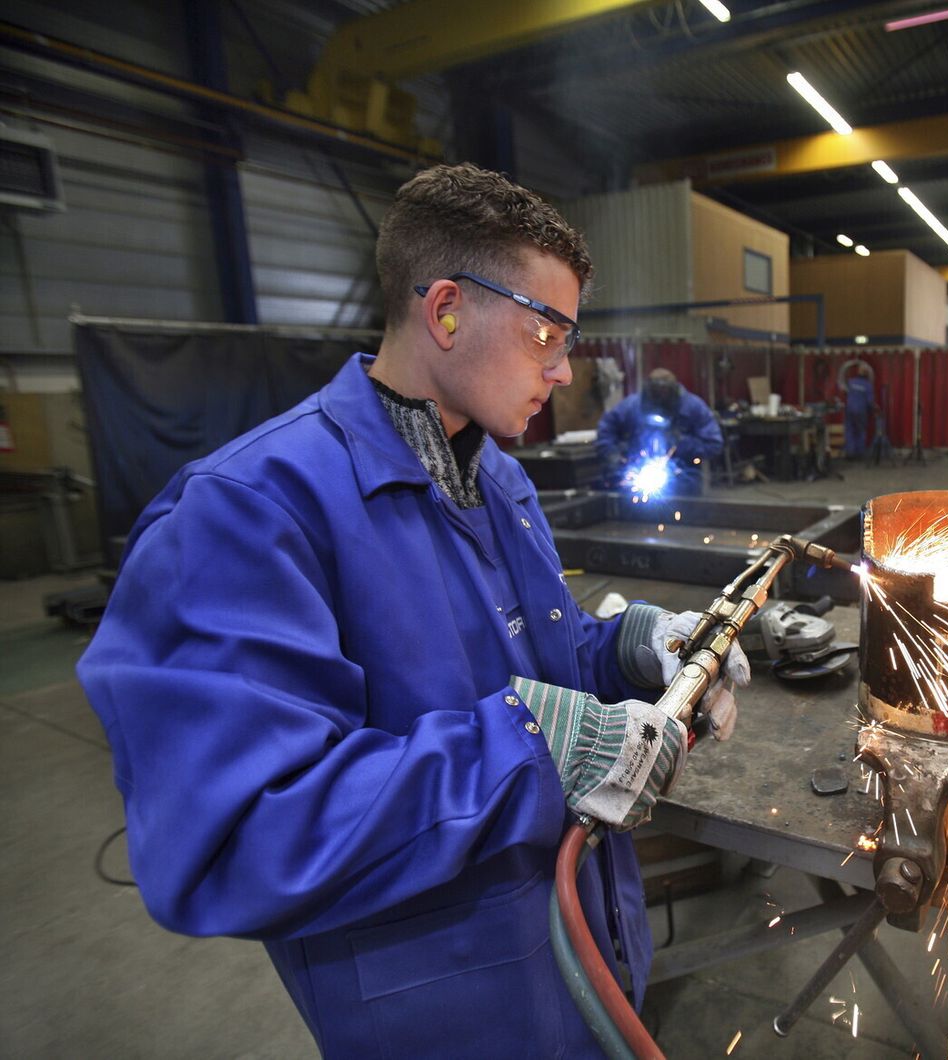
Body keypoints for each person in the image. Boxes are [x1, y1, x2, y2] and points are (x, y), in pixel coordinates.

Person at [76, 163, 747, 1058]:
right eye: (545, 330)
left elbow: (522, 669)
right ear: (445, 311)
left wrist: (625, 649)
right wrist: (535, 750)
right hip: (454, 1020)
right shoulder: (244, 514)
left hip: (587, 972)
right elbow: (232, 836)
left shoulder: (498, 479)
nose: (564, 367)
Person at [596, 368, 723, 492]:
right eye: (656, 393)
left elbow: (714, 444)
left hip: (683, 480)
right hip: (637, 476)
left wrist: (681, 443)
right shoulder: (632, 405)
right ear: (648, 391)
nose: (660, 398)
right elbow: (606, 429)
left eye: (664, 393)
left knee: (682, 511)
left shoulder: (694, 407)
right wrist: (611, 454)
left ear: (673, 391)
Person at [840, 360, 875, 459]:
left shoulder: (851, 382)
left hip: (849, 410)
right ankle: (859, 453)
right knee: (861, 431)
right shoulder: (868, 385)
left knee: (849, 430)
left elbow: (844, 391)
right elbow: (869, 401)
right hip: (861, 411)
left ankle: (850, 453)